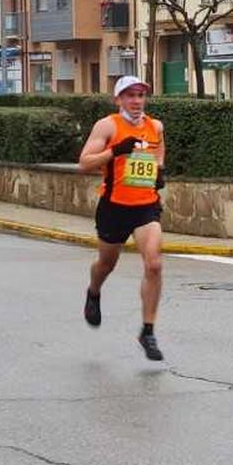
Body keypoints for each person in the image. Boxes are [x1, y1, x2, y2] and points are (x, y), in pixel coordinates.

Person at [78, 75, 167, 362]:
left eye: (141, 95)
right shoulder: (108, 126)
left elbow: (159, 155)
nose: (137, 101)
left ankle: (148, 330)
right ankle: (93, 291)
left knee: (154, 263)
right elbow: (84, 163)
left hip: (145, 207)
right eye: (130, 96)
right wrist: (115, 150)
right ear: (118, 100)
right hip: (114, 207)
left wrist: (159, 173)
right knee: (106, 263)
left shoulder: (155, 126)